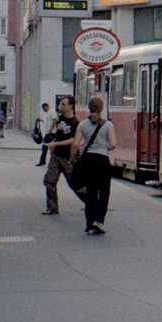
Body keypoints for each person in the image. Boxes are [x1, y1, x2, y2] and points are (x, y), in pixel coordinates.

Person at [72, 95, 117, 235]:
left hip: (88, 160)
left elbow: (75, 144)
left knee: (91, 193)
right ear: (102, 109)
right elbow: (113, 144)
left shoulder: (83, 125)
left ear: (89, 108)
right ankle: (99, 221)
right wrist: (104, 147)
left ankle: (89, 224)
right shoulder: (108, 125)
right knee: (104, 193)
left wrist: (73, 159)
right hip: (102, 161)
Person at [41, 96, 79, 215]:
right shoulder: (60, 119)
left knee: (75, 184)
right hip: (56, 155)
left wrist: (56, 143)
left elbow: (73, 141)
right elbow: (59, 134)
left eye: (63, 104)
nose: (61, 107)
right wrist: (53, 143)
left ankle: (92, 201)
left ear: (71, 106)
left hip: (67, 157)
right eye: (61, 104)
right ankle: (52, 207)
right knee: (49, 180)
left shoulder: (75, 122)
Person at [35, 101, 57, 166]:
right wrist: (41, 119)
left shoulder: (52, 111)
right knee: (44, 147)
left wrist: (51, 129)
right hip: (47, 133)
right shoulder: (48, 113)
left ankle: (53, 162)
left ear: (46, 107)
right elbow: (47, 121)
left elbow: (55, 120)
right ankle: (42, 161)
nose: (43, 110)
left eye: (43, 109)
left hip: (51, 133)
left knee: (52, 148)